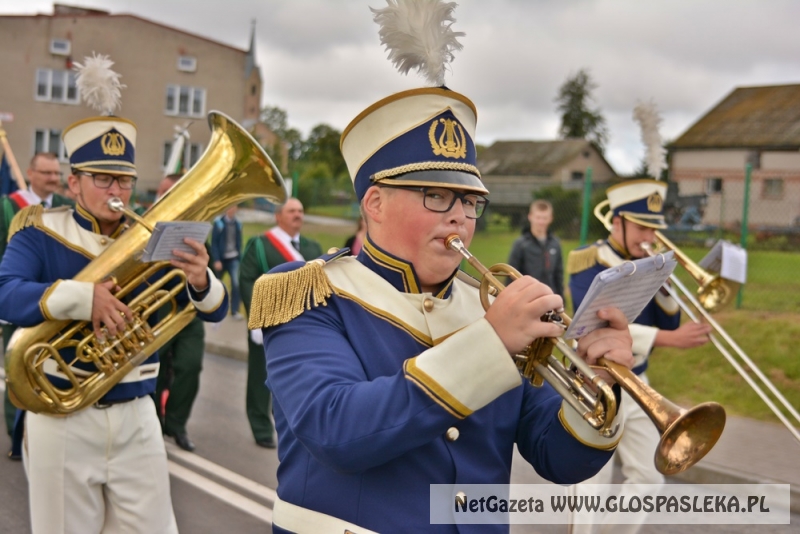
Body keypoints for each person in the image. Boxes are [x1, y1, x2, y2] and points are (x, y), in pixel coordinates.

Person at [247, 3, 635, 531]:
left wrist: (601, 390)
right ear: (375, 204)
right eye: (436, 195)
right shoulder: (307, 294)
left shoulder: (489, 307)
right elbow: (336, 431)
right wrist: (490, 344)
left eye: (470, 201)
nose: (459, 215)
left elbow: (558, 459)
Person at [0, 56, 229, 533]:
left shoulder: (153, 236)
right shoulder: (39, 232)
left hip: (138, 412)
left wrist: (200, 279)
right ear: (73, 182)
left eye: (123, 178)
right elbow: (6, 293)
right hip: (63, 414)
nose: (115, 189)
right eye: (101, 178)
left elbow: (214, 311)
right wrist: (84, 299)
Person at [567, 178, 712, 534]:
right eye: (642, 227)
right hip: (595, 383)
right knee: (591, 484)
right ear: (617, 222)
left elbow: (669, 319)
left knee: (649, 478)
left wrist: (665, 284)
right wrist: (668, 339)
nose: (650, 236)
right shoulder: (589, 260)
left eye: (653, 228)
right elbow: (594, 324)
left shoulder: (649, 263)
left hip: (637, 381)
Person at [1, 151, 73, 455]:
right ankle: (16, 435)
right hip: (21, 298)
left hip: (57, 301)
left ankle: (48, 430)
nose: (53, 179)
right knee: (16, 368)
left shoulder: (66, 207)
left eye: (56, 173)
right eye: (47, 173)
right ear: (31, 173)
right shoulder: (8, 206)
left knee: (49, 367)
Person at [238, 197, 322, 449]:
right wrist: (257, 319)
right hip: (269, 323)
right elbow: (247, 279)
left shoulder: (312, 247)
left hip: (303, 325)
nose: (298, 215)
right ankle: (261, 427)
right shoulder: (260, 244)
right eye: (292, 211)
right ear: (278, 216)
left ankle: (293, 426)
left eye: (300, 210)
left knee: (299, 380)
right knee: (260, 378)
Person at [153, 174, 210, 453]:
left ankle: (176, 424)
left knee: (190, 366)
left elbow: (210, 265)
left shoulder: (196, 226)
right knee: (154, 370)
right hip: (155, 311)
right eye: (166, 192)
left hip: (188, 310)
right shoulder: (143, 222)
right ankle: (152, 425)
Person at [507, 199, 564, 299]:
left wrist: (561, 298)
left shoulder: (555, 244)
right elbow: (511, 274)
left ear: (551, 218)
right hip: (527, 297)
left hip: (549, 296)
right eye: (538, 217)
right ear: (530, 217)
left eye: (544, 218)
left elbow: (558, 275)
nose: (541, 222)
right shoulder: (520, 244)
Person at [211, 204, 243, 319]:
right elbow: (214, 243)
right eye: (229, 207)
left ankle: (234, 310)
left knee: (236, 283)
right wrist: (216, 260)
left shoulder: (238, 224)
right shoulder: (218, 223)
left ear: (236, 208)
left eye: (233, 207)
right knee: (216, 285)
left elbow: (239, 242)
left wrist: (239, 257)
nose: (231, 209)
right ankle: (214, 309)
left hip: (233, 258)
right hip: (221, 259)